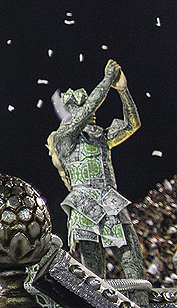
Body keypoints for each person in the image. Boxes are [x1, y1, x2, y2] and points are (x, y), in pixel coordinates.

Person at [47, 59, 145, 282]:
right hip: (83, 203)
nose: (91, 112)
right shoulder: (64, 139)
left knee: (133, 263)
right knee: (94, 274)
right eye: (82, 108)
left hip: (110, 199)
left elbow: (132, 124)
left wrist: (123, 91)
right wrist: (107, 79)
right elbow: (90, 107)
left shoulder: (100, 138)